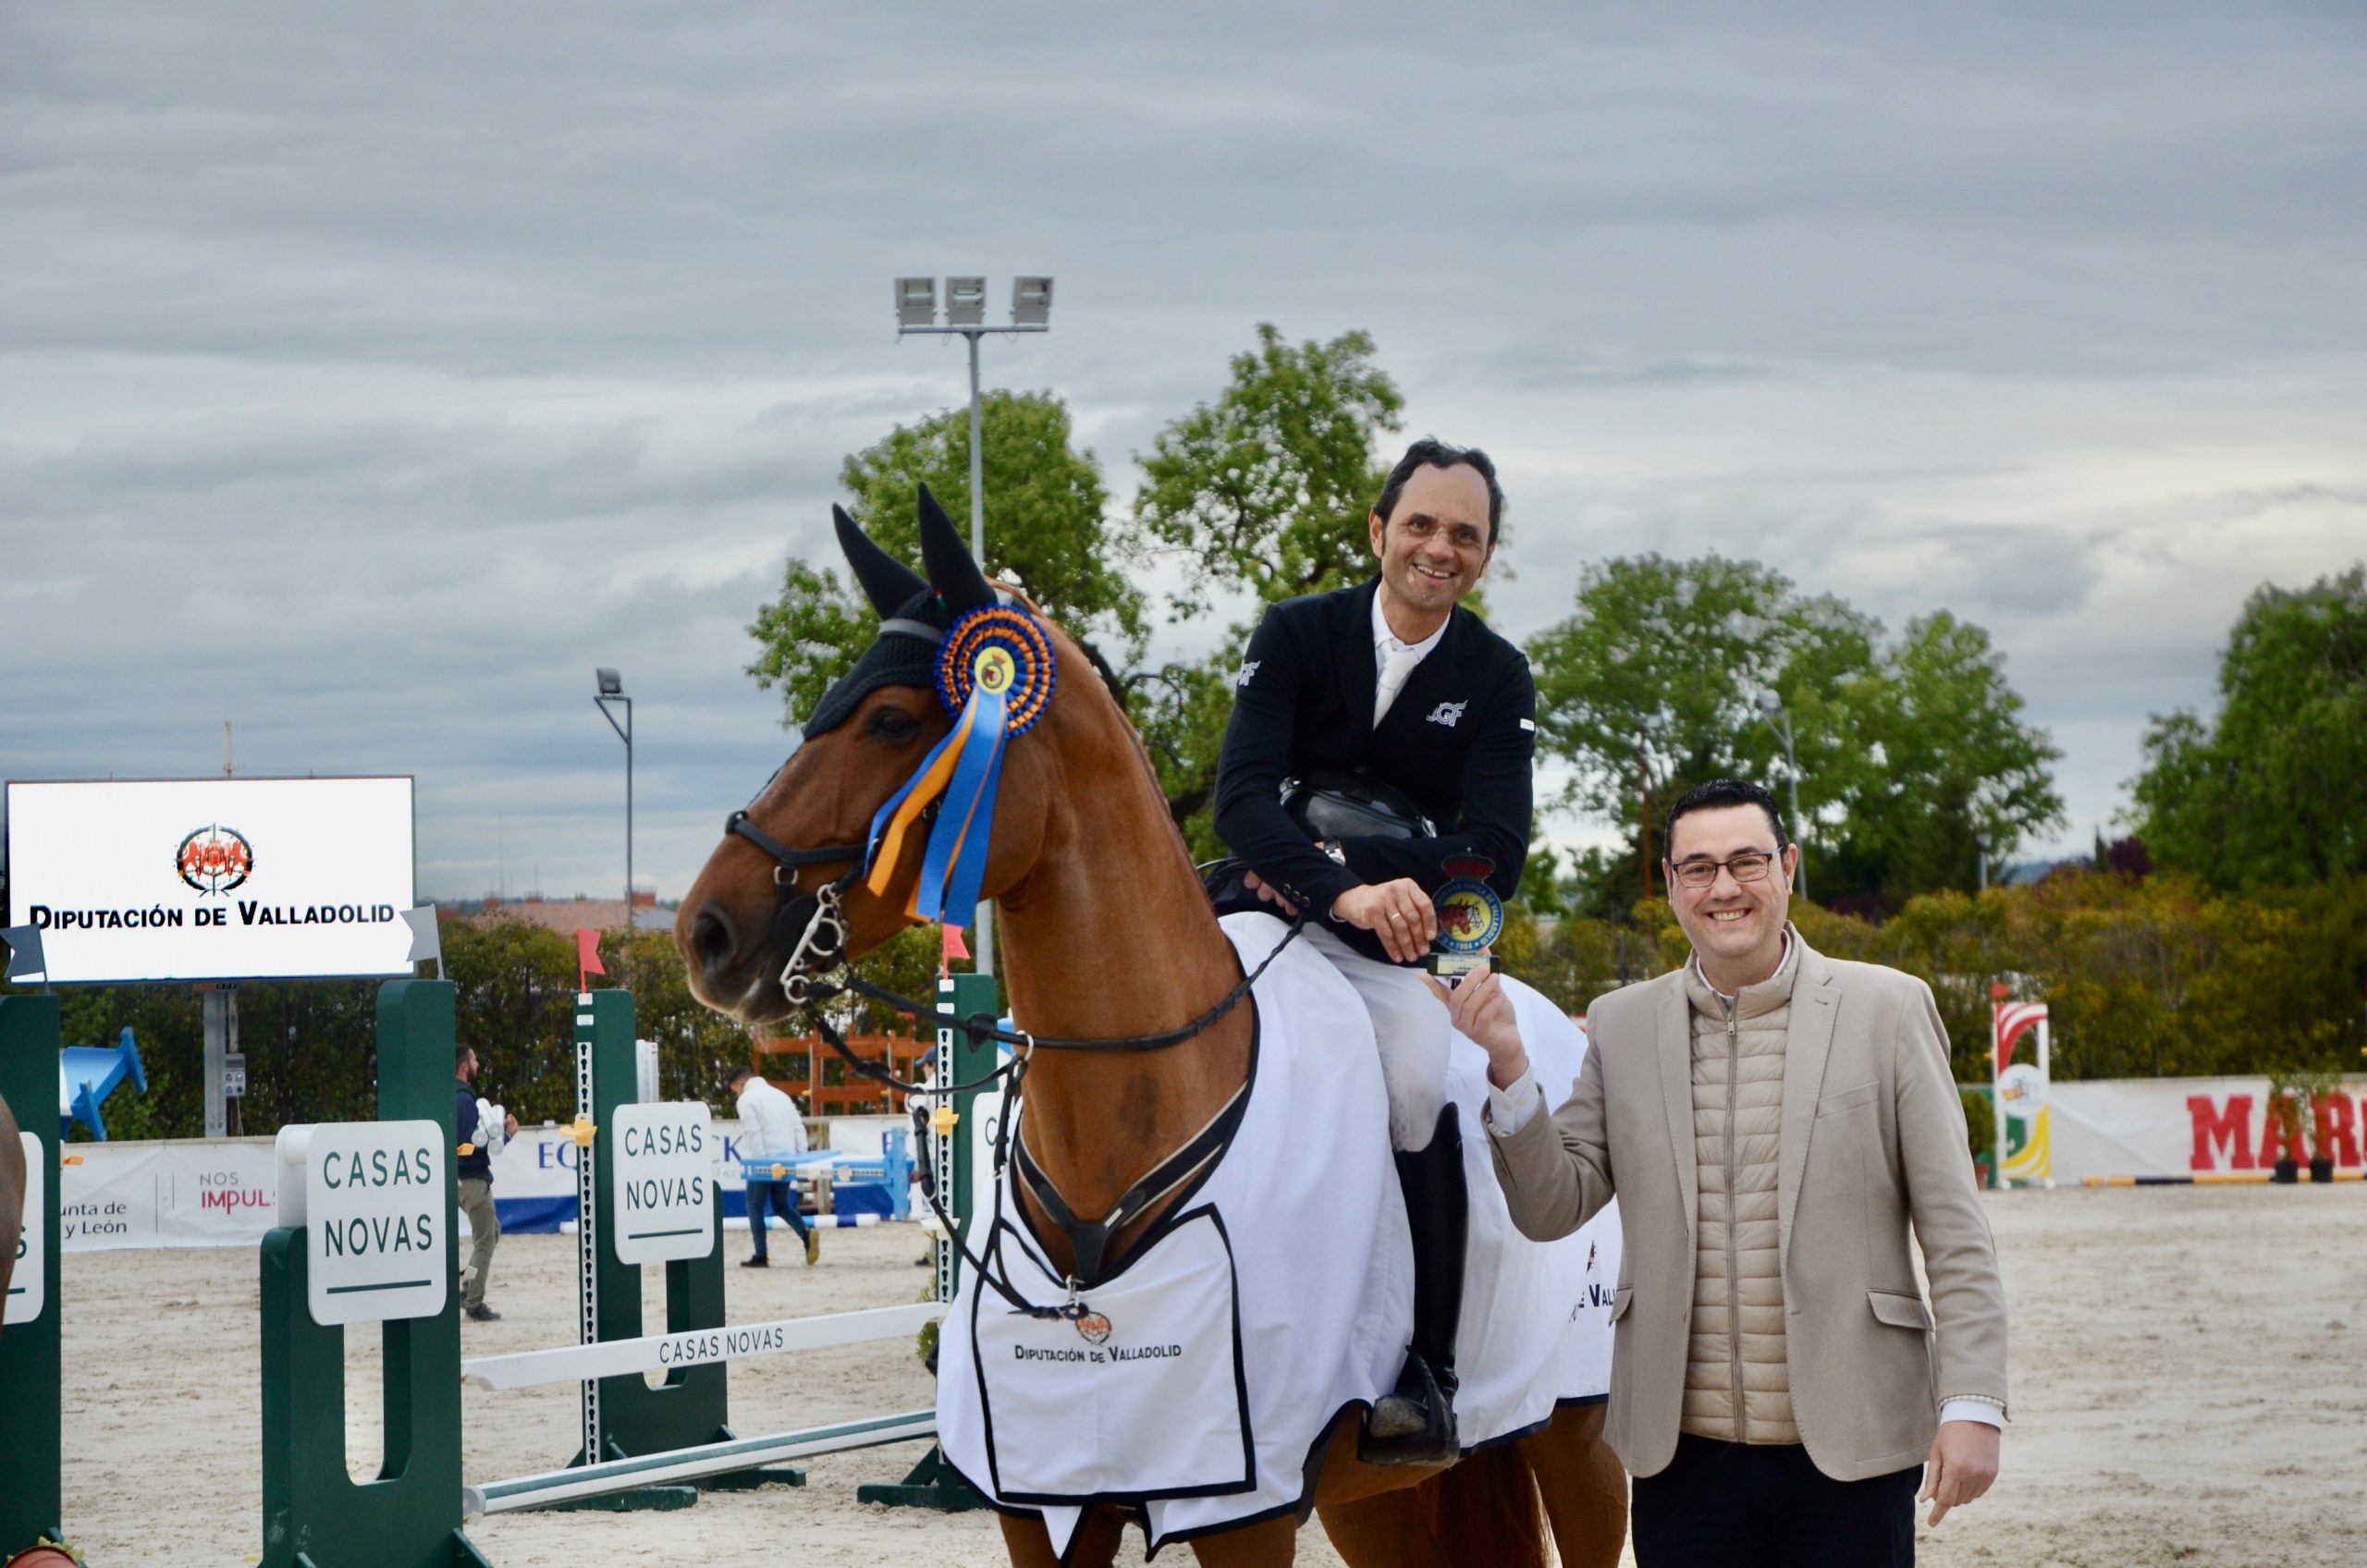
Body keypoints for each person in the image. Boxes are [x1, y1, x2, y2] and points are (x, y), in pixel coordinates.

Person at [1458, 778, 2007, 1565]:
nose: (1724, 888)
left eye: (1747, 862)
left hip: (1852, 1448)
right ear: (1673, 884)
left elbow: (1957, 1232)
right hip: (1682, 1462)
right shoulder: (1621, 1022)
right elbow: (1554, 1207)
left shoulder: (1888, 1009)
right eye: (1700, 868)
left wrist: (1974, 1404)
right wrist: (1510, 1068)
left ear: (1787, 867)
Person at [1210, 435, 1535, 1464]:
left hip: (1403, 936)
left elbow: (1497, 850)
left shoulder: (1495, 674)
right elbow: (1239, 802)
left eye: (1465, 535)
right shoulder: (1296, 631)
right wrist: (1341, 879)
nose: (1440, 548)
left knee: (1411, 1080)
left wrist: (1380, 878)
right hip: (1272, 905)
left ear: (1483, 554)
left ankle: (1427, 1371)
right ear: (1378, 531)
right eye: (1422, 525)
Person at [454, 1046, 519, 1323]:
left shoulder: (450, 1097)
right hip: (473, 1180)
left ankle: (468, 1287)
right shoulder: (464, 1100)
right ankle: (473, 1301)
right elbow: (471, 1145)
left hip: (459, 1180)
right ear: (465, 1066)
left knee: (492, 1231)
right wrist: (505, 1136)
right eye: (475, 1058)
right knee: (486, 1240)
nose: (478, 1062)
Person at [730, 1065, 817, 1268]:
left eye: (734, 1088)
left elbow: (753, 1132)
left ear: (739, 1083)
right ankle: (806, 1235)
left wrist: (761, 1162)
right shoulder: (781, 1095)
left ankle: (761, 1255)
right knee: (781, 1204)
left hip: (765, 1161)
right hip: (787, 1159)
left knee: (754, 1206)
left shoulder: (746, 1100)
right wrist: (800, 1156)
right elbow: (798, 1125)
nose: (735, 1092)